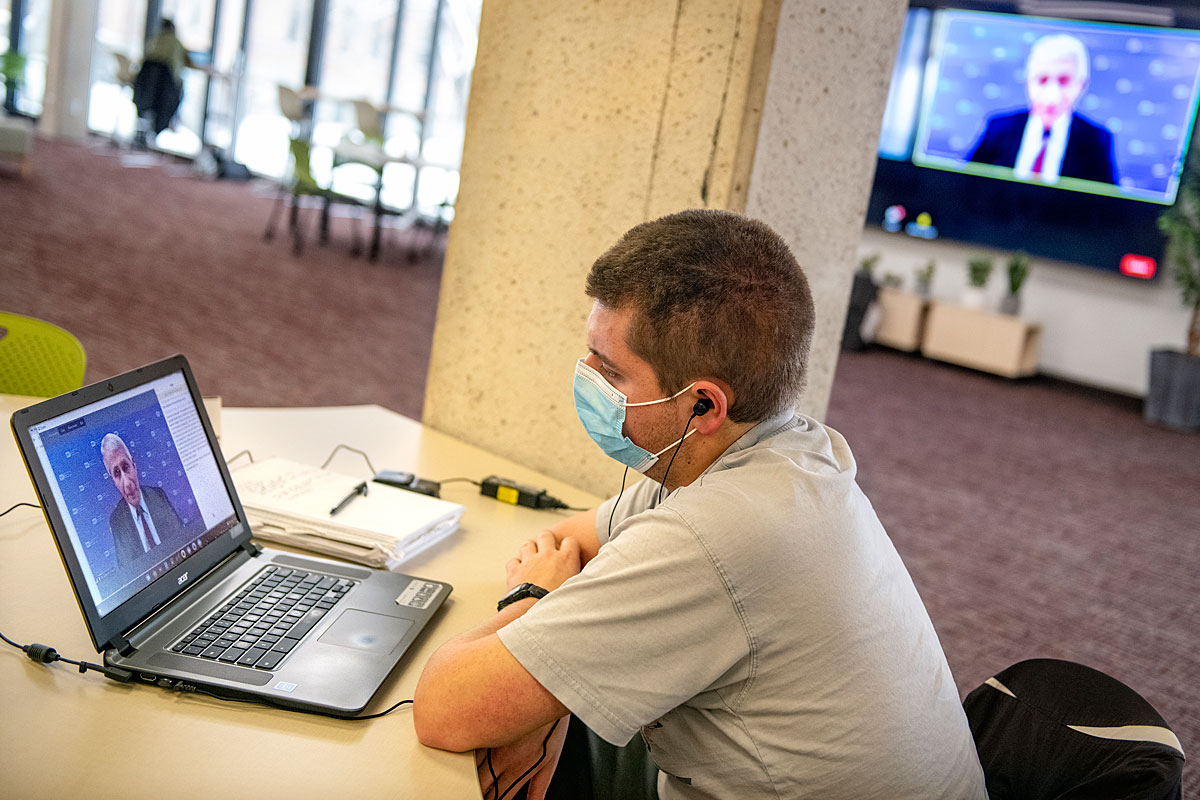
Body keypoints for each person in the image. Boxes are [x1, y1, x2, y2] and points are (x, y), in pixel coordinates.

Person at [413, 210, 987, 799]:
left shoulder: (720, 533)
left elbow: (443, 708)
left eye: (609, 371)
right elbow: (572, 541)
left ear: (703, 406)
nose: (586, 378)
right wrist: (546, 698)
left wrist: (532, 601)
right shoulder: (786, 452)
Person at [969, 33, 1117, 186]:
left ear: (1082, 85)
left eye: (1064, 81)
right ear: (1027, 81)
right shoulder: (998, 128)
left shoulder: (1097, 140)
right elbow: (965, 188)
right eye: (1042, 80)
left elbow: (1109, 206)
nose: (1052, 96)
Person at [101, 432, 190, 568]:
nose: (127, 483)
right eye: (117, 474)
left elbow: (182, 540)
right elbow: (128, 572)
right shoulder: (117, 521)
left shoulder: (158, 495)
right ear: (113, 481)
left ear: (134, 465)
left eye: (126, 468)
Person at [132, 19, 194, 144]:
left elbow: (142, 61)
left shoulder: (155, 40)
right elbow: (189, 63)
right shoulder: (176, 44)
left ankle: (145, 128)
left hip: (148, 86)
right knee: (178, 94)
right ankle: (159, 130)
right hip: (166, 87)